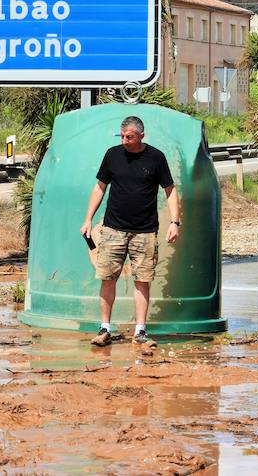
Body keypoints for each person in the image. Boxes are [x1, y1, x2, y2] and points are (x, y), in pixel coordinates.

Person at [80, 116, 180, 347]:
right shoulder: (112, 155)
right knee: (107, 278)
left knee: (142, 280)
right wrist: (88, 219)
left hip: (145, 232)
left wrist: (175, 222)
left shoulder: (156, 158)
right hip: (113, 229)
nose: (125, 141)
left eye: (130, 137)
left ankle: (141, 331)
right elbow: (99, 188)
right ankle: (104, 328)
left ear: (141, 136)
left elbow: (170, 190)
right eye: (122, 136)